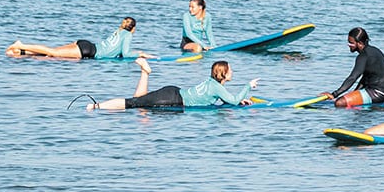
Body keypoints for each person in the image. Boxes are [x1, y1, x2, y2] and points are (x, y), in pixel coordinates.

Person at [89, 58, 259, 110]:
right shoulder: (217, 87)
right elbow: (233, 100)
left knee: (138, 100)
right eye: (231, 70)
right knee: (133, 104)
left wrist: (240, 99)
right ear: (224, 74)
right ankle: (97, 106)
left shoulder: (213, 84)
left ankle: (145, 72)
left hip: (173, 92)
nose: (233, 72)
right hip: (171, 99)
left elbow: (228, 99)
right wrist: (248, 86)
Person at [6, 17, 144, 59]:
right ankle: (20, 45)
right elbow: (125, 53)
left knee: (51, 54)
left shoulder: (118, 31)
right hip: (87, 52)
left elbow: (115, 50)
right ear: (133, 28)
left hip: (86, 45)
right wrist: (140, 54)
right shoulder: (127, 35)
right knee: (53, 53)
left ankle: (21, 53)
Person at [320, 27, 384, 107]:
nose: (349, 45)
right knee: (346, 98)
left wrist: (334, 94)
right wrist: (354, 93)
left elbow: (353, 77)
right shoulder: (373, 51)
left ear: (359, 43)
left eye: (351, 43)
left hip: (377, 93)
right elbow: (365, 79)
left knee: (339, 103)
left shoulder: (363, 56)